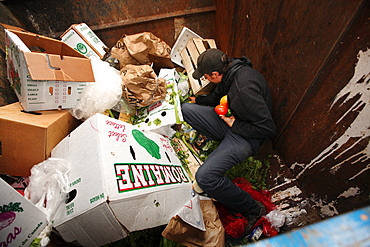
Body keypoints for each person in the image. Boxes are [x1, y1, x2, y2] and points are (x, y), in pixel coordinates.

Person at [181, 48, 276, 236]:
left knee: (205, 178)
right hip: (232, 122)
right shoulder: (230, 72)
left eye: (206, 76)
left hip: (246, 137)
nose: (206, 79)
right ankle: (221, 141)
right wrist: (198, 100)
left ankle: (253, 209)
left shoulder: (243, 90)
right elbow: (216, 97)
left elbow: (267, 128)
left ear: (215, 74)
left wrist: (235, 124)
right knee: (186, 109)